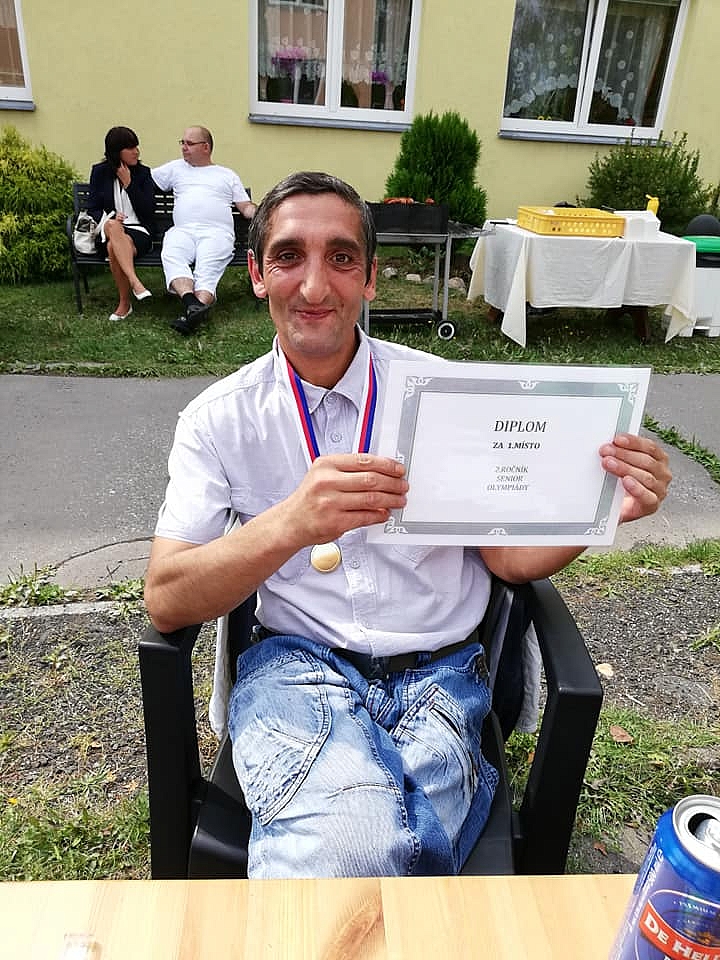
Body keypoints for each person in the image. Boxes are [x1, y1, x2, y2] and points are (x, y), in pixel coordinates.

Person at [144, 171, 671, 879]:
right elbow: (167, 598)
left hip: (442, 678)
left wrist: (602, 508)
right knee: (375, 853)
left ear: (369, 277)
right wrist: (292, 522)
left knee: (364, 853)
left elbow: (507, 562)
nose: (314, 285)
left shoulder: (444, 394)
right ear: (257, 274)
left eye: (341, 258)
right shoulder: (219, 420)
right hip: (298, 672)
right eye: (289, 256)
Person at [151, 126, 256, 335]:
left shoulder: (226, 175)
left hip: (217, 233)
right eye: (182, 142)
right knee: (172, 253)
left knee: (207, 269)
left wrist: (261, 212)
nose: (184, 147)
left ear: (205, 147)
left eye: (189, 143)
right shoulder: (175, 168)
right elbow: (142, 180)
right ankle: (193, 306)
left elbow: (245, 206)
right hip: (183, 231)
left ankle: (191, 312)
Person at [87, 126, 155, 322]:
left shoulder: (143, 174)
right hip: (108, 228)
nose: (136, 152)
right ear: (116, 151)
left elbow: (148, 211)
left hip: (138, 231)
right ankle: (135, 283)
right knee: (113, 226)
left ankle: (125, 304)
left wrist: (129, 184)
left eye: (136, 147)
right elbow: (93, 208)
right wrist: (111, 216)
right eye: (130, 148)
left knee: (112, 247)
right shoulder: (99, 172)